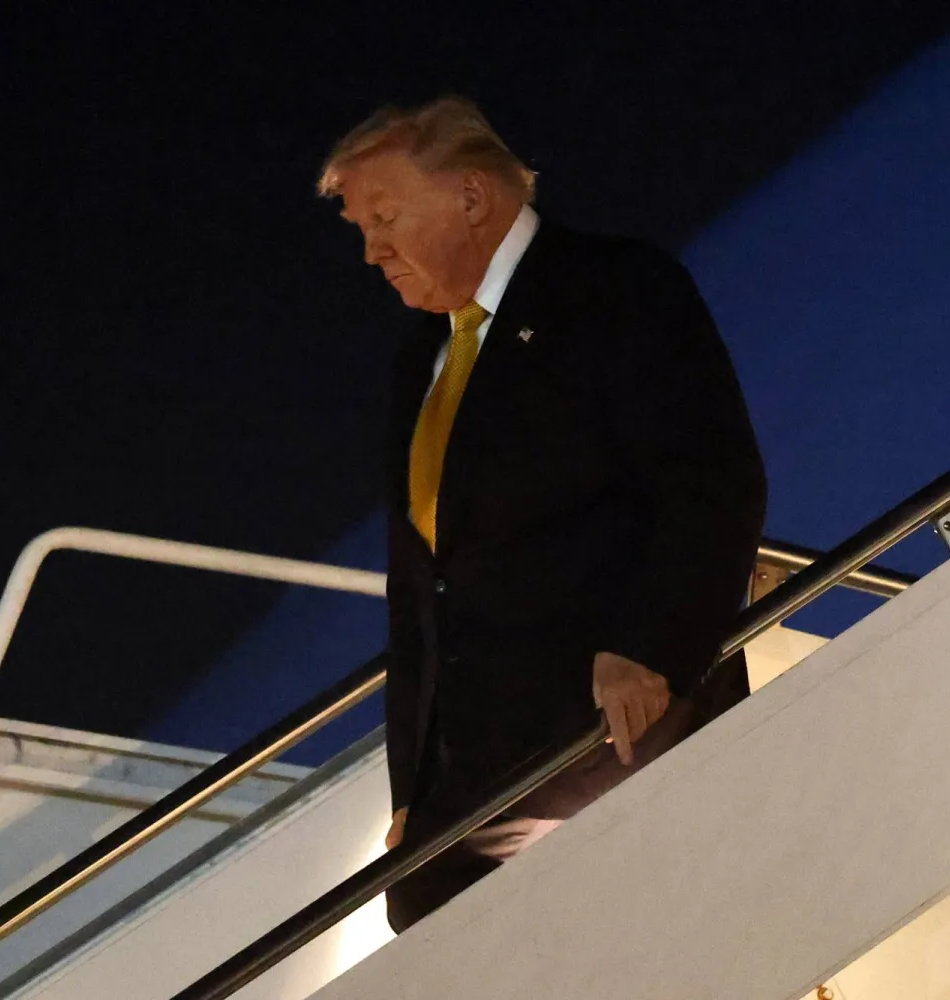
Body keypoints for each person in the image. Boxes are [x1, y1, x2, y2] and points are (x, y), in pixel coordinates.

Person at [317, 96, 767, 933]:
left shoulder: (614, 289)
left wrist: (652, 650)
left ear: (471, 195)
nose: (372, 250)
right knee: (432, 941)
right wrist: (410, 791)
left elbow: (710, 481)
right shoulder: (424, 356)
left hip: (608, 736)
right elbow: (419, 591)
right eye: (361, 230)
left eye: (384, 217)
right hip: (466, 782)